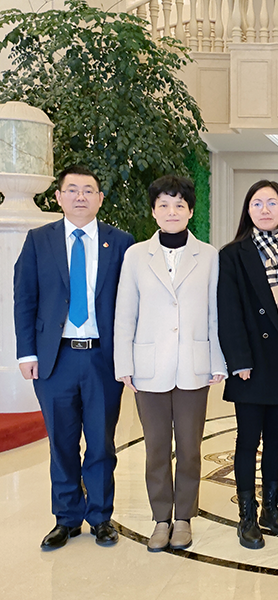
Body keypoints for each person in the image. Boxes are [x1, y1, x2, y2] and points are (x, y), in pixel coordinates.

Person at [14, 165, 134, 550]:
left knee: (101, 443)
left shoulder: (120, 242)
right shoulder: (39, 240)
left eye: (88, 190)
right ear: (58, 197)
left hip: (103, 359)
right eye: (72, 189)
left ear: (100, 198)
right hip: (55, 359)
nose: (80, 196)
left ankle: (100, 517)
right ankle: (66, 518)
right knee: (61, 443)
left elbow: (131, 303)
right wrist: (26, 352)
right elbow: (24, 298)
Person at [114, 175, 226, 552]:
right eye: (163, 204)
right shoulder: (136, 255)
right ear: (153, 211)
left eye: (179, 205)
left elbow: (214, 312)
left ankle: (183, 518)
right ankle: (161, 518)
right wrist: (124, 363)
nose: (172, 211)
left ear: (190, 211)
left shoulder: (208, 255)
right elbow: (125, 313)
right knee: (156, 447)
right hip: (149, 366)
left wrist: (217, 359)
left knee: (191, 448)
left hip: (194, 364)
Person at [217, 180, 278, 549]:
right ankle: (247, 515)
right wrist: (239, 359)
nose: (265, 210)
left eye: (272, 203)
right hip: (252, 363)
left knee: (277, 436)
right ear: (248, 210)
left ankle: (272, 508)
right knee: (247, 439)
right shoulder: (233, 254)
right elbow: (229, 312)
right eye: (257, 203)